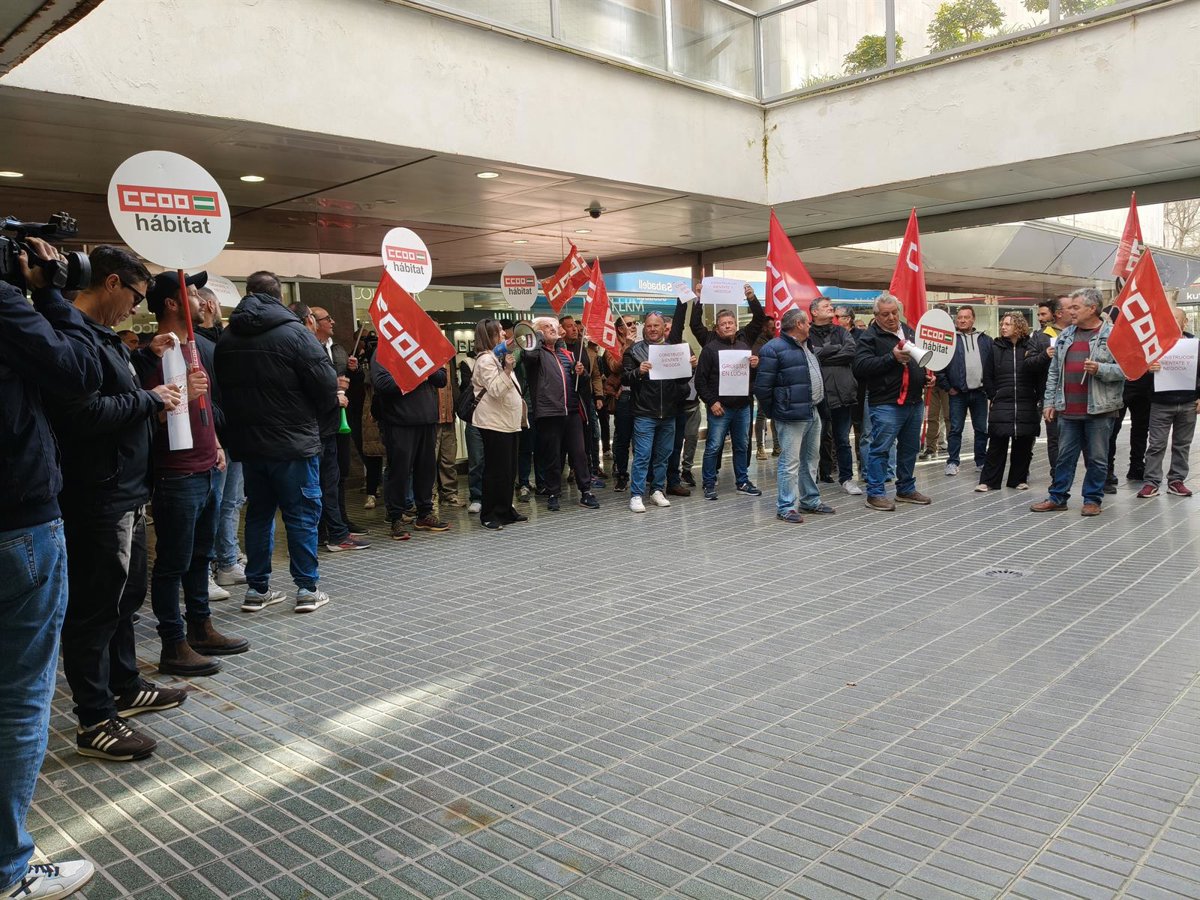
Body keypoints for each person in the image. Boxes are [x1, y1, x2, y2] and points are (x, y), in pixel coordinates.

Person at [46, 247, 190, 762]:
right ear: (111, 283)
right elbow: (80, 414)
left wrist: (147, 375)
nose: (136, 307)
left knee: (125, 599)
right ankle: (94, 718)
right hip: (98, 494)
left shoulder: (102, 336)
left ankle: (125, 686)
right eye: (134, 296)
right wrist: (150, 400)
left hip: (125, 488)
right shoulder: (69, 335)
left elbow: (111, 398)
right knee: (95, 608)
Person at [1, 238, 101, 898]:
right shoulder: (8, 305)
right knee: (19, 698)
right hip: (17, 523)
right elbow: (80, 372)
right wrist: (51, 294)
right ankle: (8, 869)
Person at [139, 272, 250, 677]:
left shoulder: (195, 347)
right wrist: (184, 391)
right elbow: (147, 414)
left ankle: (200, 627)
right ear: (172, 303)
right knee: (172, 562)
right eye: (191, 294)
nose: (202, 300)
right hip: (176, 474)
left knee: (200, 556)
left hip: (206, 467)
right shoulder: (152, 355)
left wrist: (216, 442)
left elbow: (205, 405)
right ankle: (173, 643)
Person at [215, 270, 338, 613]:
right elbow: (326, 385)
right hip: (293, 443)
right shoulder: (295, 333)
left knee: (258, 514)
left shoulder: (228, 337)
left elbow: (221, 390)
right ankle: (307, 588)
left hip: (249, 444)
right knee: (301, 515)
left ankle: (257, 589)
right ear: (279, 296)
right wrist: (313, 415)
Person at [1030, 288, 1125, 517]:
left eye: (1075, 307)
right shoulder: (1066, 335)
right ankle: (1057, 497)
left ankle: (1092, 500)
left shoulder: (1113, 335)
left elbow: (1126, 370)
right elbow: (1054, 372)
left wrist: (1101, 369)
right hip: (1068, 409)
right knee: (1064, 457)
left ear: (1092, 309)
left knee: (1097, 459)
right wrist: (1049, 402)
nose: (1069, 311)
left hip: (1100, 410)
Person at [853, 292, 934, 511]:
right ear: (876, 316)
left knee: (910, 449)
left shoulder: (908, 330)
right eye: (885, 314)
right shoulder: (869, 337)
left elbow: (916, 361)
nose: (891, 318)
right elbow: (860, 367)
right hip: (886, 402)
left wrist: (925, 377)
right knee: (881, 449)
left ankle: (905, 489)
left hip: (913, 400)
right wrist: (892, 357)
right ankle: (875, 493)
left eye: (894, 312)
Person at [756, 308, 834, 523]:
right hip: (790, 415)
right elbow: (762, 388)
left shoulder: (807, 345)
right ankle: (786, 506)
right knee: (790, 463)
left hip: (813, 410)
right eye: (807, 322)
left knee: (811, 459)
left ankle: (810, 500)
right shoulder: (773, 349)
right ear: (798, 324)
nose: (810, 325)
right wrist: (777, 411)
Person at [522, 317, 599, 511]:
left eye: (553, 326)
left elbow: (581, 383)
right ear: (538, 332)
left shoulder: (566, 354)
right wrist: (538, 335)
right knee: (553, 456)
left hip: (572, 411)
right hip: (549, 412)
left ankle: (586, 492)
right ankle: (553, 493)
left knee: (579, 454)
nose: (552, 329)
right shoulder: (535, 353)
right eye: (547, 327)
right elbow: (529, 357)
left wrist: (581, 373)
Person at [373, 354, 451, 537]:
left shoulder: (424, 349)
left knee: (426, 469)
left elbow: (441, 379)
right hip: (399, 421)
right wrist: (413, 376)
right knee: (399, 471)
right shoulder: (383, 350)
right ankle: (396, 517)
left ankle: (425, 513)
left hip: (427, 418)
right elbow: (382, 383)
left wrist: (426, 369)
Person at [622, 308, 691, 512]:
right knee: (642, 455)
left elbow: (682, 380)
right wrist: (639, 372)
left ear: (663, 328)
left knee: (663, 456)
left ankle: (657, 490)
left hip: (669, 412)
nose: (652, 329)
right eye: (649, 326)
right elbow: (624, 378)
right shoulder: (634, 350)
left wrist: (691, 367)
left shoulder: (674, 350)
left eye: (656, 326)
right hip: (645, 412)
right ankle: (636, 494)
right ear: (645, 328)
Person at [976, 313, 1049, 492]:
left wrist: (1037, 396)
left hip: (1026, 401)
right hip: (1002, 401)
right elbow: (987, 375)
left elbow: (1038, 373)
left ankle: (1018, 479)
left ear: (1019, 326)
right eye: (1002, 324)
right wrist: (993, 395)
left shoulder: (1030, 346)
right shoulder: (995, 348)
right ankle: (989, 481)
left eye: (1008, 324)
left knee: (1024, 442)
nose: (1003, 327)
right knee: (997, 442)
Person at [694, 308, 761, 500]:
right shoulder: (710, 349)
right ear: (717, 329)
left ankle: (742, 482)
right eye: (723, 324)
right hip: (720, 408)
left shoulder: (744, 347)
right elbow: (700, 381)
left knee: (742, 445)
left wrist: (756, 366)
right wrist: (711, 402)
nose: (727, 326)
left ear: (736, 326)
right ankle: (708, 483)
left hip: (743, 406)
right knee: (713, 446)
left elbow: (751, 378)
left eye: (730, 323)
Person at [471, 319, 528, 529]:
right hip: (494, 423)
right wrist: (507, 370)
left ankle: (505, 510)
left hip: (506, 422)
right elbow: (495, 390)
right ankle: (489, 514)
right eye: (500, 331)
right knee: (495, 470)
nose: (504, 334)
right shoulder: (485, 360)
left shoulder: (496, 357)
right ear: (490, 336)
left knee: (508, 470)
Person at [1138, 307, 1199, 499]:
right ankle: (1151, 482)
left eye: (1176, 318)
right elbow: (1137, 373)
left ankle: (1176, 481)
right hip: (1161, 402)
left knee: (1182, 444)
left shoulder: (1195, 345)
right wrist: (1148, 369)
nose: (1171, 322)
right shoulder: (1154, 346)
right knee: (1156, 444)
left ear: (1185, 321)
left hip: (1188, 402)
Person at [808, 297, 861, 495]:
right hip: (818, 396)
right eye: (826, 306)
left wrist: (823, 356)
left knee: (842, 440)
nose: (831, 308)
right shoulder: (807, 333)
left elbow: (851, 352)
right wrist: (834, 349)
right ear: (814, 312)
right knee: (814, 440)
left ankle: (846, 478)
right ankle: (811, 478)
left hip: (843, 394)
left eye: (831, 306)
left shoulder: (841, 331)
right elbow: (810, 355)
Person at [938, 305, 991, 476]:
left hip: (980, 393)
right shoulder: (949, 339)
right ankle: (952, 462)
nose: (962, 320)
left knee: (981, 429)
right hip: (958, 393)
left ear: (973, 319)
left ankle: (981, 461)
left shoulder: (985, 340)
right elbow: (939, 365)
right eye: (959, 317)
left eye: (966, 317)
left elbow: (993, 365)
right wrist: (948, 387)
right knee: (955, 429)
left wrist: (990, 388)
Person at [559, 315, 605, 485]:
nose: (574, 329)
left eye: (575, 326)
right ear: (562, 329)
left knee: (588, 435)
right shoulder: (559, 349)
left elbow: (593, 375)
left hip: (585, 400)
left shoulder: (582, 348)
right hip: (566, 402)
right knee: (565, 441)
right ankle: (562, 477)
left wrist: (598, 395)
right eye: (569, 326)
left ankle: (587, 471)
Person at [608, 315, 637, 492]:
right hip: (624, 396)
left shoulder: (643, 343)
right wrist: (627, 346)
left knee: (641, 439)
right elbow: (614, 367)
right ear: (620, 329)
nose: (634, 326)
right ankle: (622, 475)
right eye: (629, 324)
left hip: (643, 396)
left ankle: (644, 476)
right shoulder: (612, 347)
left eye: (635, 323)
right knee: (623, 439)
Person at [921, 303, 952, 459]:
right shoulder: (928, 331)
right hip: (931, 381)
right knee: (932, 417)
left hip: (947, 382)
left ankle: (953, 447)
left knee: (949, 417)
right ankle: (930, 448)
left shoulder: (952, 333)